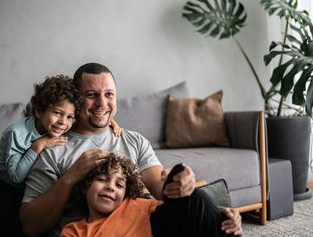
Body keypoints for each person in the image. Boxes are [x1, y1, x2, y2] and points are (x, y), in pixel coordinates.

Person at [20, 63, 242, 237]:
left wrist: (190, 188)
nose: (102, 103)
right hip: (98, 232)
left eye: (109, 94)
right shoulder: (53, 149)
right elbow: (30, 227)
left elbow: (163, 190)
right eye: (91, 95)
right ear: (76, 100)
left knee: (201, 202)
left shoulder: (133, 140)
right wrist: (70, 178)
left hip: (144, 225)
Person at [0, 74, 120, 236]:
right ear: (39, 111)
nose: (63, 122)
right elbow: (16, 177)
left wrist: (111, 121)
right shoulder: (16, 133)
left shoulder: (57, 126)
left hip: (23, 179)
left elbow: (90, 119)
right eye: (57, 113)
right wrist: (38, 146)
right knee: (13, 224)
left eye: (69, 117)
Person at [60, 152, 238, 237]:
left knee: (195, 196)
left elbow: (187, 210)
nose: (111, 187)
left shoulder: (135, 204)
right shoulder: (75, 231)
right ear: (85, 186)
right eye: (102, 179)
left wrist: (223, 212)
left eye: (119, 184)